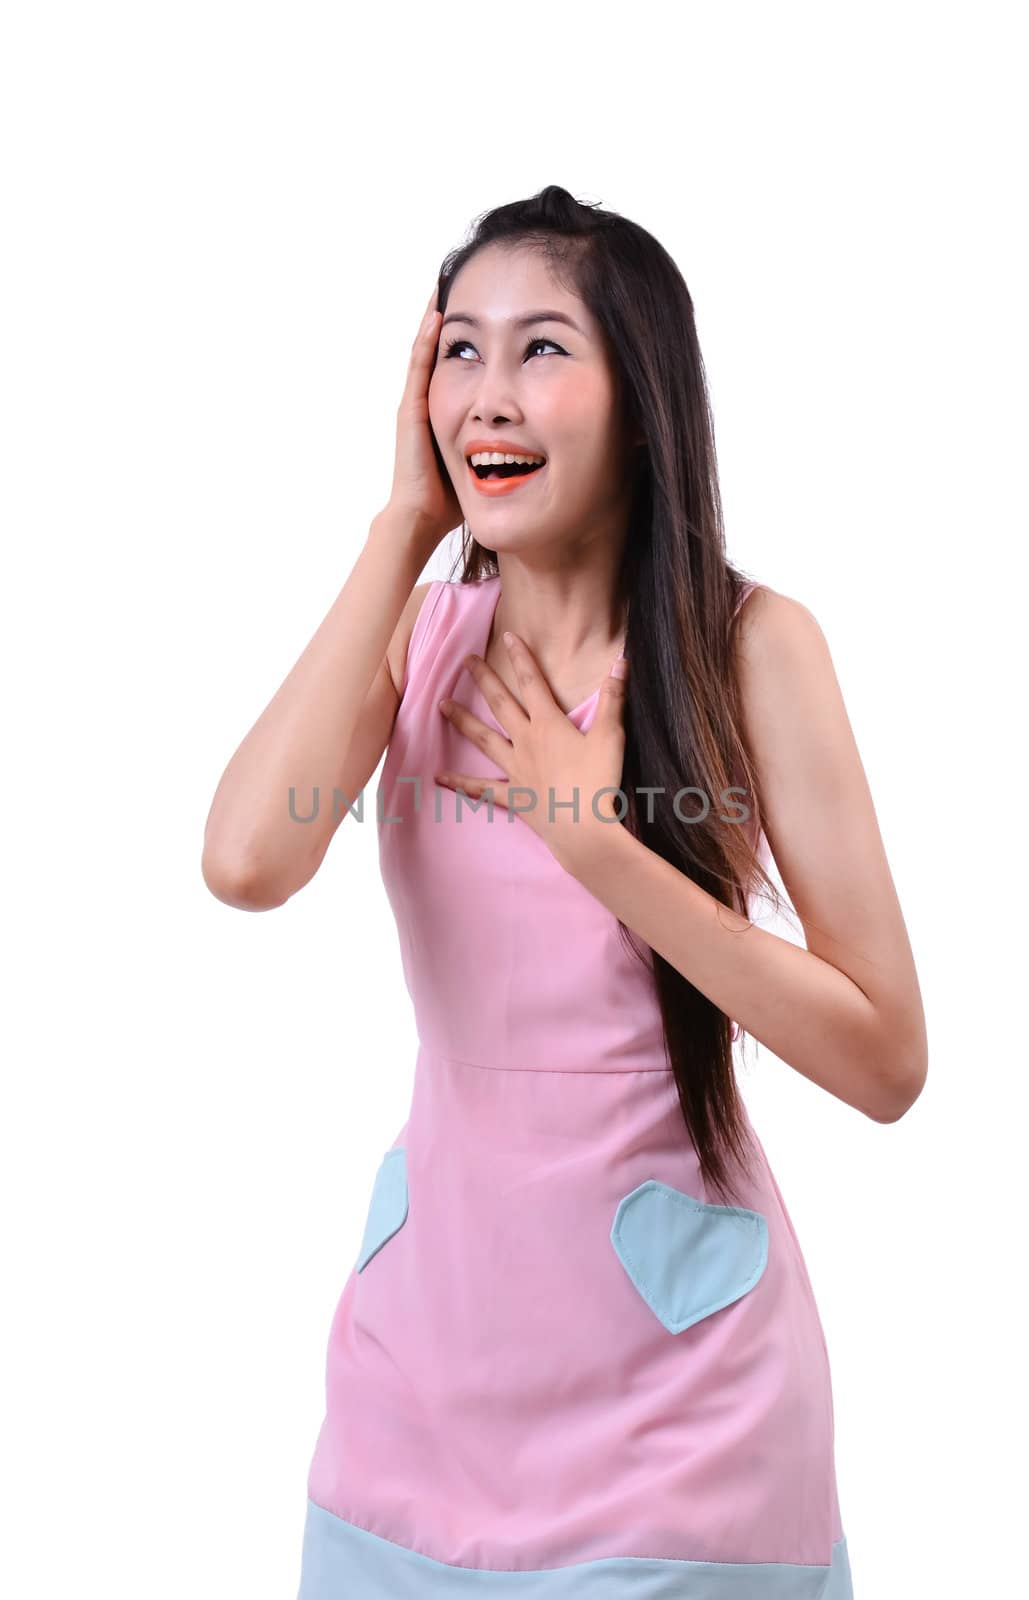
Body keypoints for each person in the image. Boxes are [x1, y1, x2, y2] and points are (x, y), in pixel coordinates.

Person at [203, 186, 926, 1597]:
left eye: (540, 349)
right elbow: (243, 860)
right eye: (458, 350)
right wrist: (400, 530)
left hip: (678, 1429)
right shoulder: (422, 637)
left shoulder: (752, 649)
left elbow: (885, 1058)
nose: (488, 391)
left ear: (642, 400)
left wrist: (599, 848)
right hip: (411, 1404)